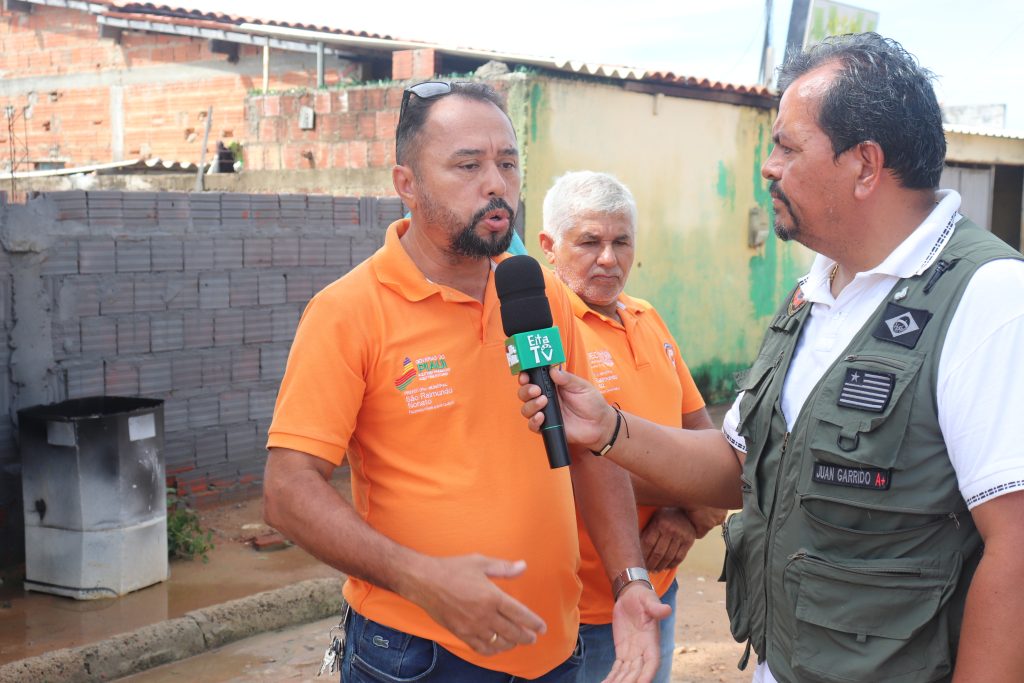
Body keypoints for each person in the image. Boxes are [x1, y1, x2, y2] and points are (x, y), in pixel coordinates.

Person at [518, 33, 1024, 683]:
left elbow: (1016, 548)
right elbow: (739, 463)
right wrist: (607, 426)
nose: (767, 166)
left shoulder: (988, 298)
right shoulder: (816, 293)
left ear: (865, 165)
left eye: (787, 146)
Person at [262, 80, 669, 683]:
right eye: (468, 165)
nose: (496, 184)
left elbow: (588, 447)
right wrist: (419, 578)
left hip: (554, 646)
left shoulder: (537, 291)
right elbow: (287, 489)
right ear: (406, 184)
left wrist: (628, 579)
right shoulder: (348, 310)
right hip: (419, 652)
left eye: (508, 163)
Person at [538, 171, 726, 683]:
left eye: (621, 242)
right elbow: (570, 466)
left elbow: (705, 437)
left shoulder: (646, 316)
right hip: (581, 609)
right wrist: (697, 492)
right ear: (549, 247)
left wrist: (686, 518)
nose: (608, 258)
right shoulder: (544, 337)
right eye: (589, 242)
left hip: (657, 586)